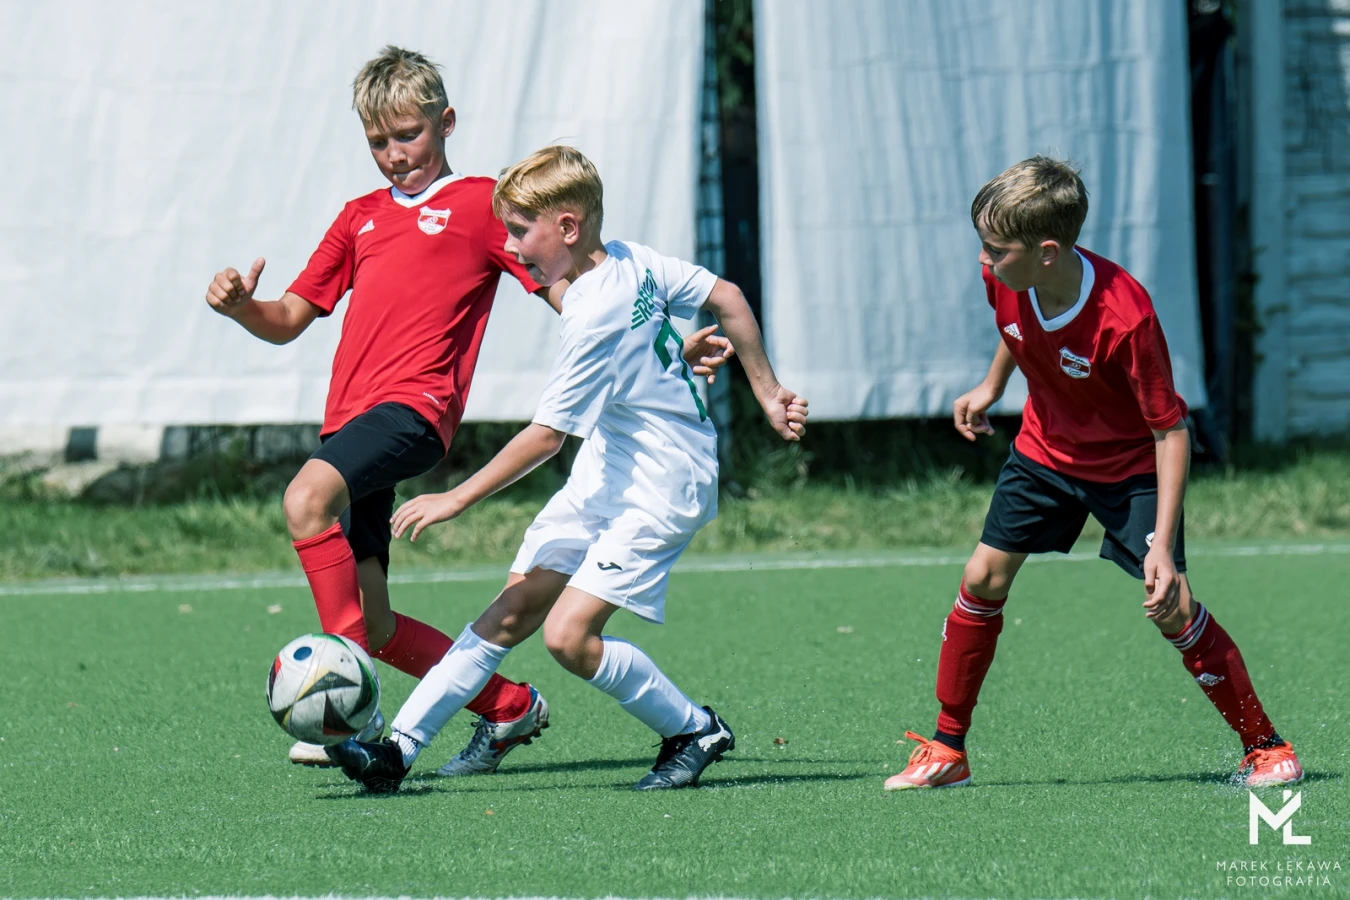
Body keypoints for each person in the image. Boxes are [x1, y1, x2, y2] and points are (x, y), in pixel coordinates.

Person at [204, 47, 729, 772]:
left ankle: (353, 712)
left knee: (304, 499)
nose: (395, 154)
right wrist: (242, 308)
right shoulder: (357, 218)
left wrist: (660, 349)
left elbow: (574, 292)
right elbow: (289, 317)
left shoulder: (482, 205)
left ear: (445, 123)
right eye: (378, 142)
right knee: (375, 622)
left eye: (408, 135)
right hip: (349, 425)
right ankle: (509, 706)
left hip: (414, 411)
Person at [325, 145, 808, 793]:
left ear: (569, 227)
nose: (511, 245)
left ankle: (694, 729)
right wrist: (764, 390)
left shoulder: (591, 315)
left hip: (662, 485)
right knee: (509, 612)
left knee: (569, 637)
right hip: (609, 471)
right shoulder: (631, 259)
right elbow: (728, 297)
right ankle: (398, 750)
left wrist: (455, 498)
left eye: (521, 230)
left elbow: (548, 437)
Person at [885, 156, 1303, 792]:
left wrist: (1162, 546)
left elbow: (1171, 431)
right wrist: (992, 385)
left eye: (995, 249)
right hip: (1046, 450)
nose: (983, 261)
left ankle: (1266, 747)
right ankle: (947, 748)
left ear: (1047, 252)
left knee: (1171, 605)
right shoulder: (1006, 276)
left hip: (1131, 466)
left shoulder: (1126, 316)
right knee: (982, 577)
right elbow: (1017, 326)